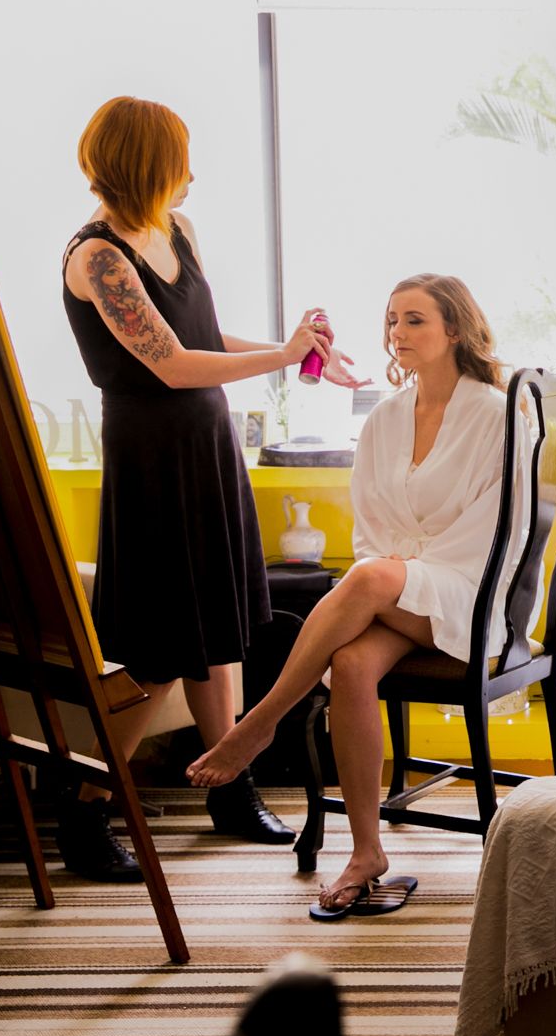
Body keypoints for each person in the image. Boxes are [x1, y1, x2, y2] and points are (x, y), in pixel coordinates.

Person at [61, 96, 369, 881]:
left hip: (208, 444)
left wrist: (301, 357)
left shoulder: (176, 233)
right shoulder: (96, 257)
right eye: (179, 159)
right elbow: (170, 365)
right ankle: (85, 807)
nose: (191, 174)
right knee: (163, 646)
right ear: (146, 164)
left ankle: (227, 786)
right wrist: (285, 353)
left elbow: (204, 340)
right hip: (153, 456)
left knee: (222, 627)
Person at [186, 274, 530, 919]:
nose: (397, 333)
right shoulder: (385, 416)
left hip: (470, 590)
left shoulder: (497, 410)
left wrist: (400, 572)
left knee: (368, 580)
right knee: (349, 663)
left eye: (416, 320)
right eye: (393, 320)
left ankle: (259, 723)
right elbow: (368, 519)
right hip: (401, 588)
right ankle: (366, 852)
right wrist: (395, 570)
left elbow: (504, 524)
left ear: (455, 329)